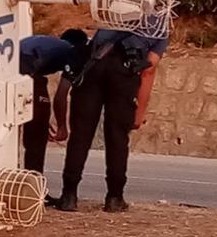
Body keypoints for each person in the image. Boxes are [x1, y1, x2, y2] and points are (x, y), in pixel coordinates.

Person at [56, 23, 169, 213]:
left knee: (81, 134)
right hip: (124, 72)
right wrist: (139, 113)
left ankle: (69, 196)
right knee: (117, 136)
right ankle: (114, 198)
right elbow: (148, 70)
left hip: (95, 62)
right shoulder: (160, 27)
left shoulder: (114, 7)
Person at [18, 29, 90, 184]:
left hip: (9, 66)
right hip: (26, 67)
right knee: (36, 136)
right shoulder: (72, 50)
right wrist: (62, 126)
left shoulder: (48, 42)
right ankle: (33, 188)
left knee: (34, 124)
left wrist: (41, 116)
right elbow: (61, 95)